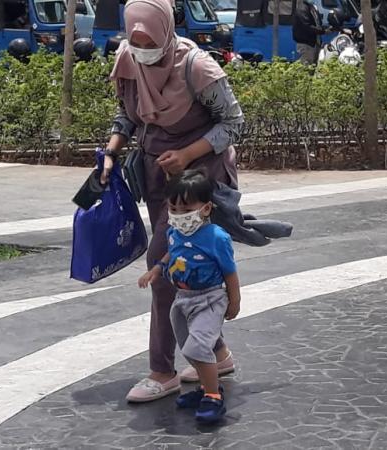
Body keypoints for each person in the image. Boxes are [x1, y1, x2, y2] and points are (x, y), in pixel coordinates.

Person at [102, 0, 244, 404]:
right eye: (135, 39)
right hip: (153, 175)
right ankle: (218, 353)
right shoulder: (128, 60)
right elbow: (127, 116)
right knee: (188, 264)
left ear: (166, 30)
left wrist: (187, 153)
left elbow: (234, 123)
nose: (142, 48)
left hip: (196, 181)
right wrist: (111, 151)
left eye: (149, 40)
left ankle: (161, 369)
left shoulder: (197, 68)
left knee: (163, 267)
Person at [138, 170, 241, 423]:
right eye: (173, 209)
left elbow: (230, 271)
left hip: (211, 299)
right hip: (183, 299)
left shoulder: (216, 237)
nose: (179, 216)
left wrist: (234, 300)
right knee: (189, 348)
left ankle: (214, 396)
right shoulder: (175, 232)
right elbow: (171, 254)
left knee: (198, 346)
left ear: (205, 209)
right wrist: (156, 269)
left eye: (186, 210)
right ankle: (206, 388)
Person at [293, 0, 323, 64]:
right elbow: (307, 26)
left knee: (313, 65)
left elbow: (317, 22)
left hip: (314, 43)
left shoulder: (312, 8)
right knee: (306, 66)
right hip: (306, 44)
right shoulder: (302, 9)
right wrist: (322, 31)